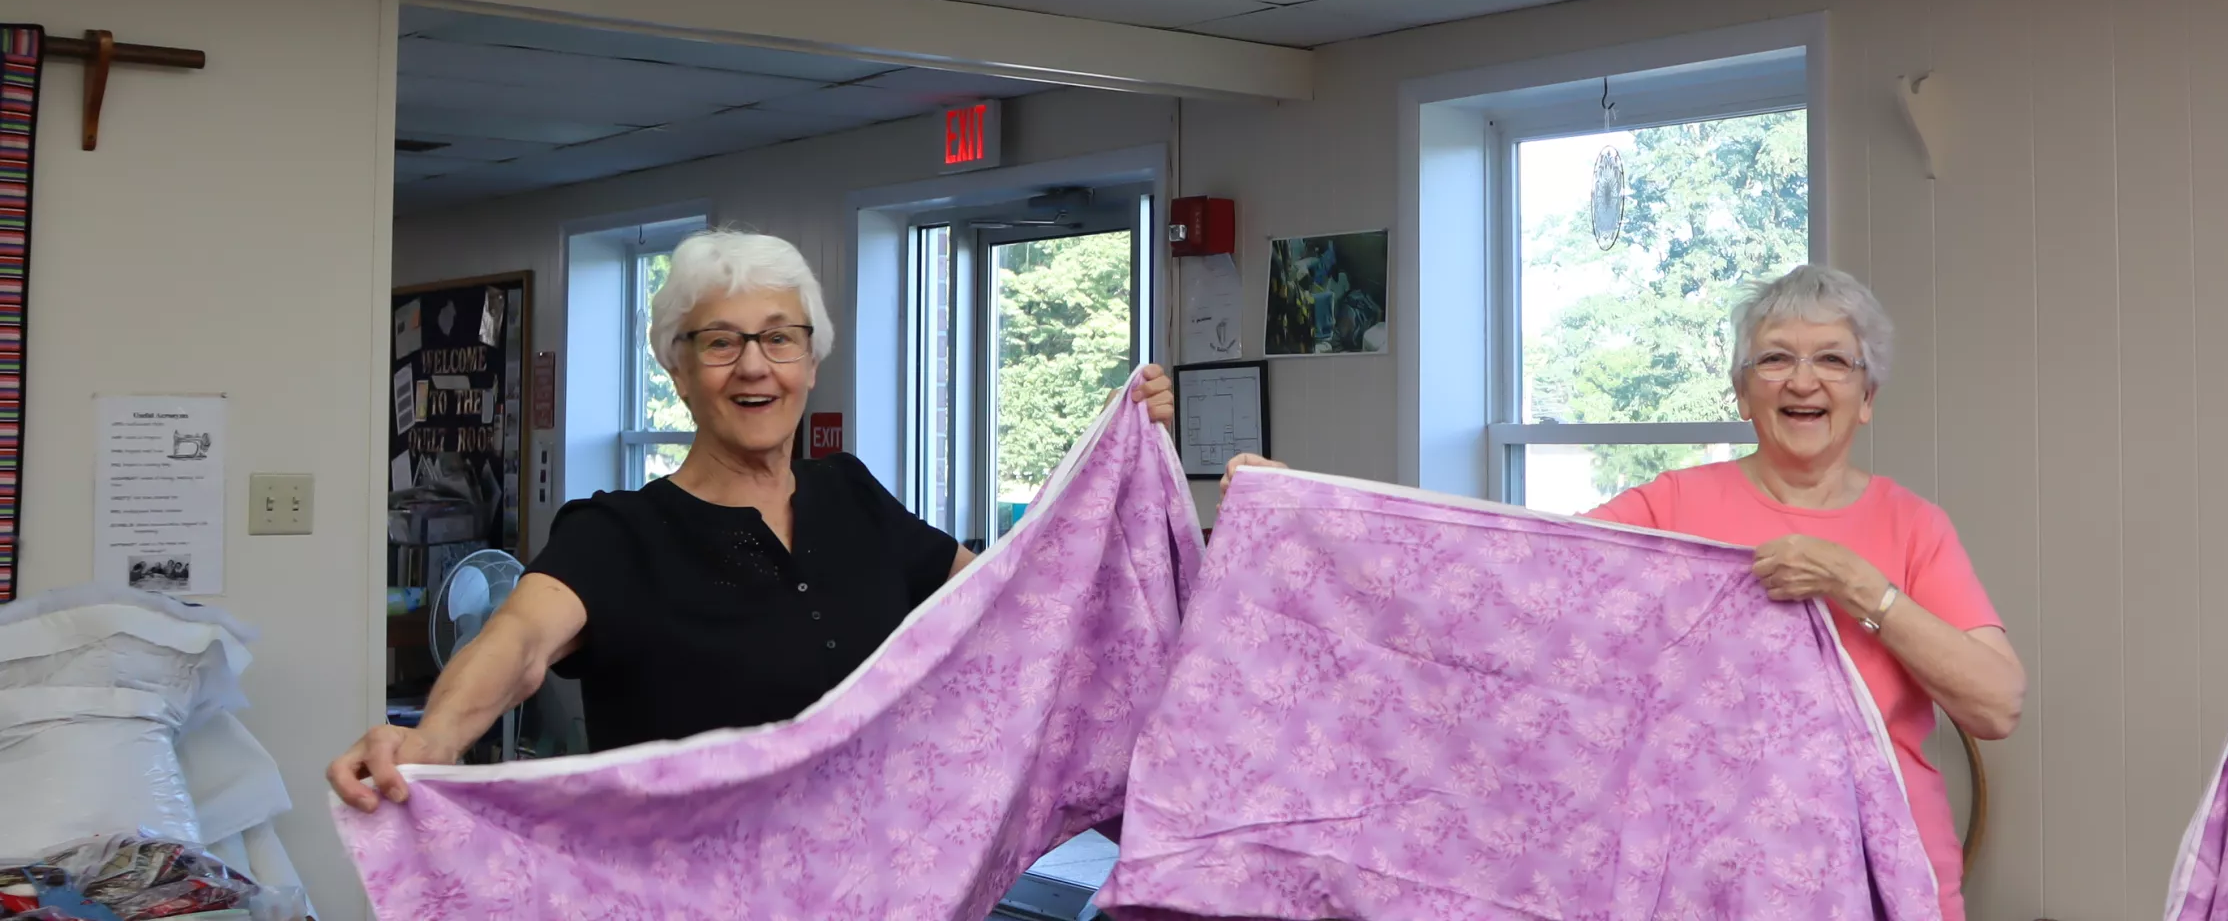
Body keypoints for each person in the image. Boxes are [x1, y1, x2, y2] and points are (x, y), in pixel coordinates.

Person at [1225, 265, 2023, 921]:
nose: (1802, 381)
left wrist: (1859, 586)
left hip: (1885, 877)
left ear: (1868, 396)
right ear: (1742, 393)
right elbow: (1509, 574)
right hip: (1689, 883)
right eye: (1775, 358)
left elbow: (1995, 705)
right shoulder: (1671, 505)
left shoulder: (1913, 527)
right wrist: (1306, 510)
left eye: (1834, 360)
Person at [331, 229, 1178, 810]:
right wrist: (433, 739)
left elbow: (1023, 597)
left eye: (779, 339)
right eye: (720, 342)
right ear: (678, 369)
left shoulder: (851, 495)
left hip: (884, 882)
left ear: (811, 361)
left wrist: (1118, 458)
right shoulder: (617, 533)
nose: (754, 367)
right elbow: (515, 643)